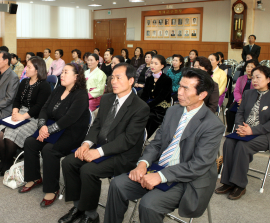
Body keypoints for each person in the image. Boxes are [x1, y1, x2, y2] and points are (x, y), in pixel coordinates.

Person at [104, 69, 224, 223]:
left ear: (202, 95)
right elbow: (157, 143)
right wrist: (143, 163)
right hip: (160, 167)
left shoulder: (213, 125)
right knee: (117, 184)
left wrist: (161, 176)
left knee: (149, 205)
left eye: (185, 88)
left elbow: (198, 165)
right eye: (179, 86)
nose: (178, 92)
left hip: (187, 179)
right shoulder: (173, 111)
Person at [59, 63, 149, 223]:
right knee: (69, 162)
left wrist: (98, 152)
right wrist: (86, 144)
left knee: (88, 170)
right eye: (112, 77)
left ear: (131, 80)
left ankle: (91, 215)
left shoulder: (140, 107)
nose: (113, 81)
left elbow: (127, 140)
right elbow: (97, 125)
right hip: (100, 146)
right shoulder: (107, 99)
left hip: (123, 155)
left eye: (118, 78)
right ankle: (79, 207)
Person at [20, 63, 90, 209]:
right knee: (30, 143)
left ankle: (52, 189)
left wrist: (47, 131)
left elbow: (69, 119)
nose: (62, 75)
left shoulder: (81, 95)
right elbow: (44, 108)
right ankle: (34, 178)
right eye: (62, 72)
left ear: (76, 77)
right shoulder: (59, 89)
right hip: (52, 127)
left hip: (71, 132)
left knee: (49, 150)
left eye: (65, 72)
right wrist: (42, 126)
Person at [216, 66, 270, 200]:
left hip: (266, 134)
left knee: (243, 146)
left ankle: (240, 185)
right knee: (229, 142)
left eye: (258, 77)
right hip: (245, 130)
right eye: (253, 77)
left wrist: (252, 131)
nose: (254, 80)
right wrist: (240, 128)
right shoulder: (248, 94)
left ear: (268, 79)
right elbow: (240, 113)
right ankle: (228, 182)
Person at [0, 56, 50, 175]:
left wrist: (23, 117)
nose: (25, 69)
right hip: (20, 112)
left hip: (35, 117)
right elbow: (17, 99)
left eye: (28, 67)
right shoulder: (24, 81)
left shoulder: (44, 85)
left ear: (37, 70)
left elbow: (39, 107)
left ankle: (8, 163)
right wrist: (15, 111)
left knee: (9, 135)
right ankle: (4, 161)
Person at [141, 55, 173, 139]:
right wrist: (142, 105)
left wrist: (148, 106)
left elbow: (161, 97)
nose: (152, 65)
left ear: (162, 66)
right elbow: (144, 94)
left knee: (150, 117)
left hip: (160, 107)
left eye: (156, 63)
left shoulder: (167, 79)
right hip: (149, 105)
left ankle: (145, 138)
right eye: (151, 63)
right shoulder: (149, 79)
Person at [226, 60, 258, 132]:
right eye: (247, 66)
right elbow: (236, 91)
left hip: (251, 102)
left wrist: (246, 102)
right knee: (229, 112)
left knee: (244, 113)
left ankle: (244, 129)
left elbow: (257, 93)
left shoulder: (257, 80)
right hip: (240, 101)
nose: (249, 68)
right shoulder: (241, 78)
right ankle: (231, 130)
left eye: (252, 67)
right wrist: (239, 100)